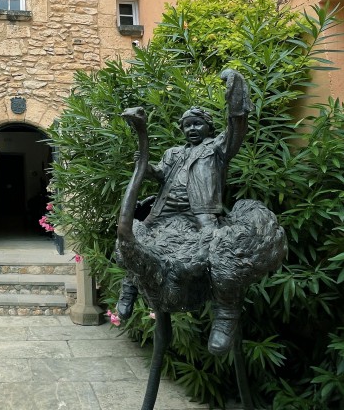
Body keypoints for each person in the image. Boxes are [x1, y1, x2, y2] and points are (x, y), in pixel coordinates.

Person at [116, 70, 286, 355]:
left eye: (197, 124)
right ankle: (129, 285)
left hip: (200, 221)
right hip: (163, 218)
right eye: (187, 126)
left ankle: (226, 314)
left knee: (221, 259)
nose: (192, 129)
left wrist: (236, 92)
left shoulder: (216, 149)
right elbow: (159, 174)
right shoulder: (173, 153)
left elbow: (237, 128)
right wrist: (144, 165)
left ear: (208, 127)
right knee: (133, 242)